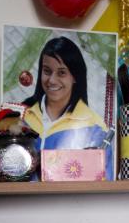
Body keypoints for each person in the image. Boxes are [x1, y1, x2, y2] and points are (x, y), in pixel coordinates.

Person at [21, 36, 113, 179]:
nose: (52, 80)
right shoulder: (22, 117)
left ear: (75, 76)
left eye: (62, 72)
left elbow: (103, 184)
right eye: (47, 71)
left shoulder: (95, 129)